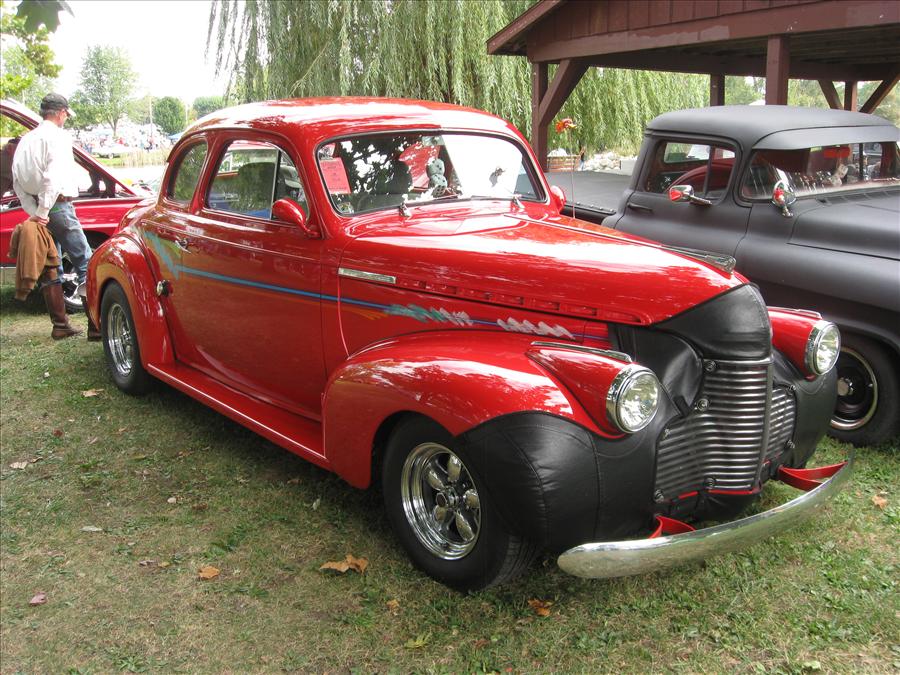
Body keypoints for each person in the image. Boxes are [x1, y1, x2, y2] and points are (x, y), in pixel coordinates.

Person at [12, 93, 99, 340]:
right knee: (86, 261)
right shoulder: (58, 137)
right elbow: (53, 178)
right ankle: (96, 327)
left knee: (52, 265)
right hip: (58, 206)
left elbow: (17, 179)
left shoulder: (27, 140)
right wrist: (43, 211)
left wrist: (35, 211)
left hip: (40, 207)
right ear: (61, 113)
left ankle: (60, 325)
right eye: (66, 115)